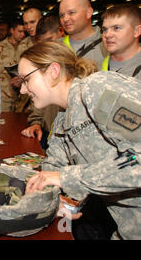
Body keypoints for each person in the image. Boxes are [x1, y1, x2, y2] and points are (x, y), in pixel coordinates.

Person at [18, 41, 140, 240]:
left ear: (53, 71)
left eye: (26, 79)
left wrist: (66, 179)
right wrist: (53, 198)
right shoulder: (63, 119)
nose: (23, 90)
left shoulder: (96, 89)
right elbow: (52, 169)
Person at [21, 15, 65, 145]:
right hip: (47, 129)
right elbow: (39, 92)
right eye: (43, 42)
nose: (48, 45)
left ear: (61, 31)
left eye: (50, 39)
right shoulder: (45, 56)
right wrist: (36, 122)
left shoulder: (70, 57)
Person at [59, 0, 107, 67]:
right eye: (62, 15)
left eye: (71, 13)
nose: (65, 19)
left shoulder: (108, 43)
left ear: (88, 13)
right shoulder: (56, 47)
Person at [101, 3, 141, 79]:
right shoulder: (98, 67)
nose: (107, 35)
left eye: (116, 28)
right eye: (105, 29)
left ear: (136, 31)